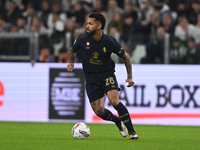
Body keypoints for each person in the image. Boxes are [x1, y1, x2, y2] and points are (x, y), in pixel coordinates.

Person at [67, 12, 139, 140]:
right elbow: (72, 50)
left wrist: (130, 76)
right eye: (87, 23)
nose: (87, 26)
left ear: (99, 26)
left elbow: (126, 57)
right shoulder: (83, 39)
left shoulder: (110, 42)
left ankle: (133, 133)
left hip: (106, 74)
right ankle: (118, 122)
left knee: (114, 100)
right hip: (90, 78)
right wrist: (71, 62)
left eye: (90, 23)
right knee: (99, 111)